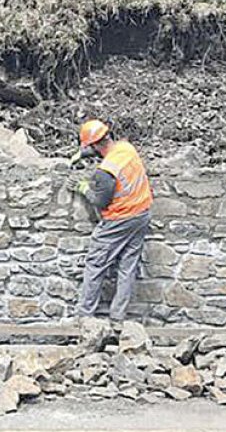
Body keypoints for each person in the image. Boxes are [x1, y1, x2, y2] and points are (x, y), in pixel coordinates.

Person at [70, 119, 153, 323]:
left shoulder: (105, 171)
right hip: (141, 213)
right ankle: (117, 319)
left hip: (119, 219)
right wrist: (86, 153)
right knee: (127, 267)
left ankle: (84, 319)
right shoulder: (126, 148)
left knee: (95, 264)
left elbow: (100, 200)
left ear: (95, 145)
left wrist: (84, 188)